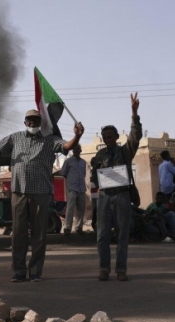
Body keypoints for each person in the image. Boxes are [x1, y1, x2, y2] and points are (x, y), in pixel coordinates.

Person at [0, 109, 84, 282]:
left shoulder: (49, 140)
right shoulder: (15, 138)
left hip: (40, 193)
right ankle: (18, 271)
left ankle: (35, 272)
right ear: (25, 122)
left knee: (39, 234)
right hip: (19, 192)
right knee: (18, 234)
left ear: (40, 123)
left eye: (35, 120)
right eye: (29, 120)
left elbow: (66, 146)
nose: (32, 122)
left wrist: (77, 136)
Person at [92, 92, 142, 282]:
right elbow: (94, 179)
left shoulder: (124, 151)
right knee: (102, 235)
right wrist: (95, 199)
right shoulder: (99, 156)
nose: (107, 139)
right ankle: (104, 268)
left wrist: (134, 114)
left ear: (116, 136)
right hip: (104, 197)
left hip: (122, 196)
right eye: (104, 137)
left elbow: (135, 138)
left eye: (110, 136)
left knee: (123, 234)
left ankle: (121, 270)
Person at [61, 144, 87, 235]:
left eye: (78, 149)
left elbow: (83, 174)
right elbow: (63, 173)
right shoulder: (68, 161)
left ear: (80, 150)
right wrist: (71, 181)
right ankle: (67, 228)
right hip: (72, 187)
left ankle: (79, 228)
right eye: (75, 149)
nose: (76, 150)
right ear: (72, 151)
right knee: (70, 208)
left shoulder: (83, 162)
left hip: (81, 188)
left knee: (81, 208)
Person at [90, 157, 99, 232]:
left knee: (95, 211)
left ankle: (95, 225)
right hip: (97, 193)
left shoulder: (92, 171)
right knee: (97, 211)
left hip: (94, 193)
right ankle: (96, 225)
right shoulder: (95, 171)